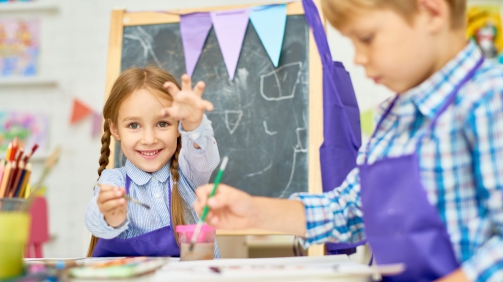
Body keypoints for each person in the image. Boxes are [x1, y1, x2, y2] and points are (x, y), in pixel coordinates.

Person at [194, 0, 503, 280]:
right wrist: (256, 211)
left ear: (432, 11)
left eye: (366, 38)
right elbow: (351, 211)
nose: (358, 58)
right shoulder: (394, 116)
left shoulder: (489, 99)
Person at [85, 66, 220, 258]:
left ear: (178, 126)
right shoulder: (113, 180)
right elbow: (94, 221)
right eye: (134, 125)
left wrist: (194, 126)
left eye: (163, 123)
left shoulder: (189, 173)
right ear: (115, 129)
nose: (149, 139)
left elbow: (205, 156)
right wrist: (110, 216)